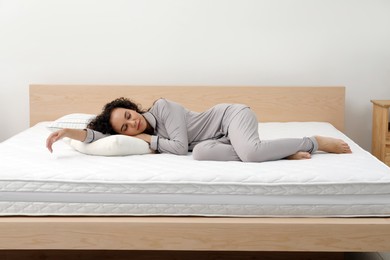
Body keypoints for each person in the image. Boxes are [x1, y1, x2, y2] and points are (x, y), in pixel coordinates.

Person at [46, 97, 352, 162]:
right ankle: (281, 153)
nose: (132, 123)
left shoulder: (164, 108)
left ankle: (313, 141)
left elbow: (178, 146)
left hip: (231, 117)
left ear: (135, 108)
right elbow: (100, 138)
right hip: (215, 139)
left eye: (129, 115)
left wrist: (150, 139)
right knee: (201, 153)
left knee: (249, 154)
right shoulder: (129, 134)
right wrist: (68, 133)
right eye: (124, 127)